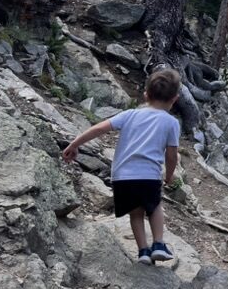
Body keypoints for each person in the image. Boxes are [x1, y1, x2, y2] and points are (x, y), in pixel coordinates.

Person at [63, 68, 182, 265]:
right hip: (149, 176)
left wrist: (74, 144)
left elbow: (99, 128)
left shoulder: (130, 114)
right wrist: (169, 175)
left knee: (135, 213)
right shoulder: (171, 123)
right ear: (175, 99)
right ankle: (159, 244)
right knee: (154, 207)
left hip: (122, 176)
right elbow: (171, 155)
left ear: (146, 95)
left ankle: (143, 251)